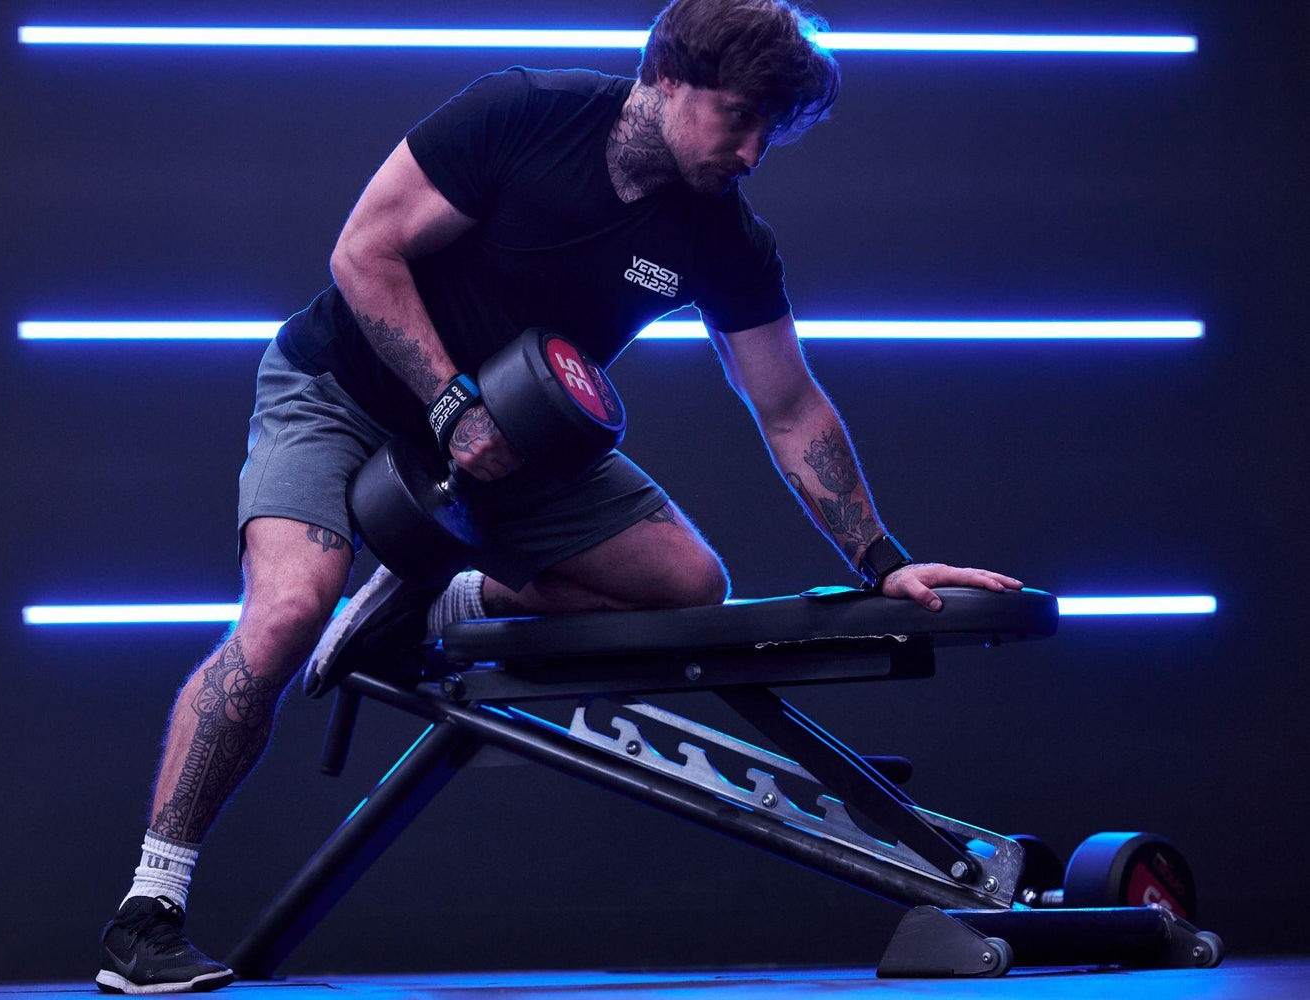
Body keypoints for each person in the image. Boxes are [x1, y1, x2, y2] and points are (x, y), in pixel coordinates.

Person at [95, 0, 1023, 992]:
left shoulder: (723, 239)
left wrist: (882, 559)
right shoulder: (520, 114)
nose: (752, 150)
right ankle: (148, 910)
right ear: (668, 73)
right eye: (739, 116)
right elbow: (364, 254)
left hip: (519, 444)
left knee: (686, 584)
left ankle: (445, 596)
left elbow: (789, 404)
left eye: (772, 131)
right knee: (288, 607)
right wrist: (451, 404)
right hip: (344, 389)